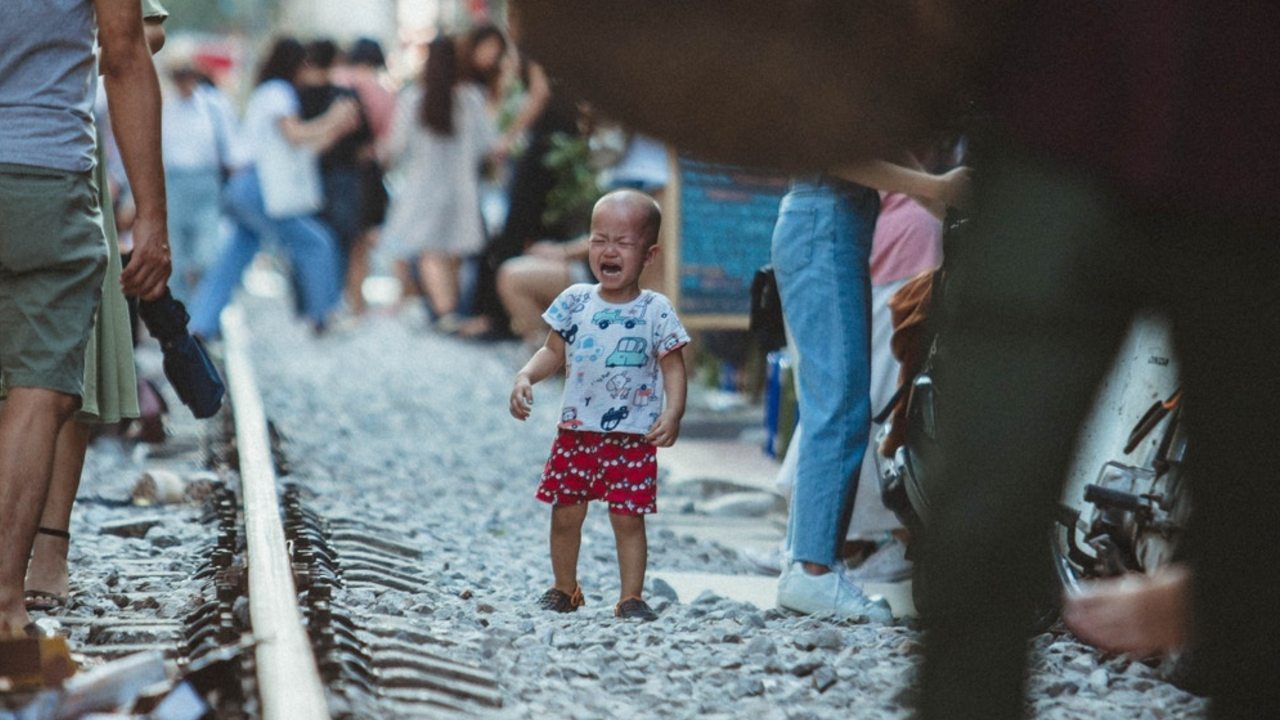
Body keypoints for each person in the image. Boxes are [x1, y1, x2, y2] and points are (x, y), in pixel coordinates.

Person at [1, 0, 171, 637]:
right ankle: (2, 608)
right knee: (40, 390)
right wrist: (152, 218)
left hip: (49, 168)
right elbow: (127, 51)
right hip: (45, 172)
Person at [771, 160, 966, 622]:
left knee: (837, 403)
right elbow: (846, 156)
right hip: (824, 228)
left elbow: (891, 153)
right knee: (838, 406)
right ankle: (813, 570)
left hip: (827, 228)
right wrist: (937, 185)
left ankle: (808, 564)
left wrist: (944, 201)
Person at [509, 190, 688, 622]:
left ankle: (630, 596)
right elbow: (553, 352)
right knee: (565, 513)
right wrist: (526, 376)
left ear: (649, 254)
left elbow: (673, 368)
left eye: (623, 243)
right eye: (598, 239)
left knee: (628, 519)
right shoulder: (574, 302)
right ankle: (564, 587)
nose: (608, 251)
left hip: (632, 437)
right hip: (577, 432)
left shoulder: (656, 311)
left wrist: (673, 412)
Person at [188, 37, 357, 339]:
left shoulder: (265, 93)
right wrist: (333, 118)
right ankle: (325, 314)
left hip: (245, 185)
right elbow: (295, 136)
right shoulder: (280, 92)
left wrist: (336, 128)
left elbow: (299, 145)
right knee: (316, 243)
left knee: (235, 256)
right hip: (259, 186)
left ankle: (202, 323)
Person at [380, 34, 498, 331]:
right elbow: (488, 145)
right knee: (453, 251)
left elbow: (396, 146)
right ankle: (451, 311)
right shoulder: (471, 98)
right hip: (461, 188)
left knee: (430, 250)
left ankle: (446, 312)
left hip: (423, 188)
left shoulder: (414, 99)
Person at [299, 39, 375, 309]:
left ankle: (314, 301)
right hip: (342, 176)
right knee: (341, 240)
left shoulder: (296, 95)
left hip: (309, 177)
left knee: (311, 240)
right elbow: (365, 138)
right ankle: (333, 299)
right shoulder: (344, 95)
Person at [161, 56, 236, 302]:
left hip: (206, 182)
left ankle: (204, 313)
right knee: (177, 257)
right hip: (173, 183)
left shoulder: (212, 106)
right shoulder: (165, 107)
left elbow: (230, 148)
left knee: (207, 254)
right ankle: (184, 318)